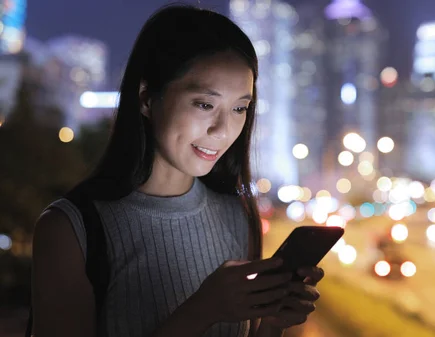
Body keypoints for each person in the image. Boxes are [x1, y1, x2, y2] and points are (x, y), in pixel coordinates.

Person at [31, 5, 324, 337]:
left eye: (240, 108)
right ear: (146, 98)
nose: (223, 130)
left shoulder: (237, 215)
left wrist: (272, 322)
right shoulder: (71, 229)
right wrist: (202, 311)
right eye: (204, 104)